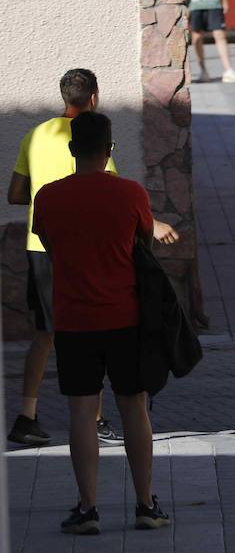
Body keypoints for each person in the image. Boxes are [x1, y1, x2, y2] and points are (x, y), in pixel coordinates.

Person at [7, 70, 178, 449]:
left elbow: (16, 193)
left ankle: (27, 415)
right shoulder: (93, 139)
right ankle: (97, 419)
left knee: (46, 333)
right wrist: (157, 223)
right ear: (95, 99)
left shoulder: (35, 135)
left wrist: (45, 198)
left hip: (42, 247)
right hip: (84, 251)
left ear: (63, 95)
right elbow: (111, 194)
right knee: (92, 327)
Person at [33, 112, 173, 535]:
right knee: (134, 406)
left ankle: (88, 508)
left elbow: (49, 246)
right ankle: (146, 504)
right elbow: (142, 241)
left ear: (73, 150)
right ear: (110, 150)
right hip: (126, 317)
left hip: (75, 319)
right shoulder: (131, 193)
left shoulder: (49, 197)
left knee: (80, 410)